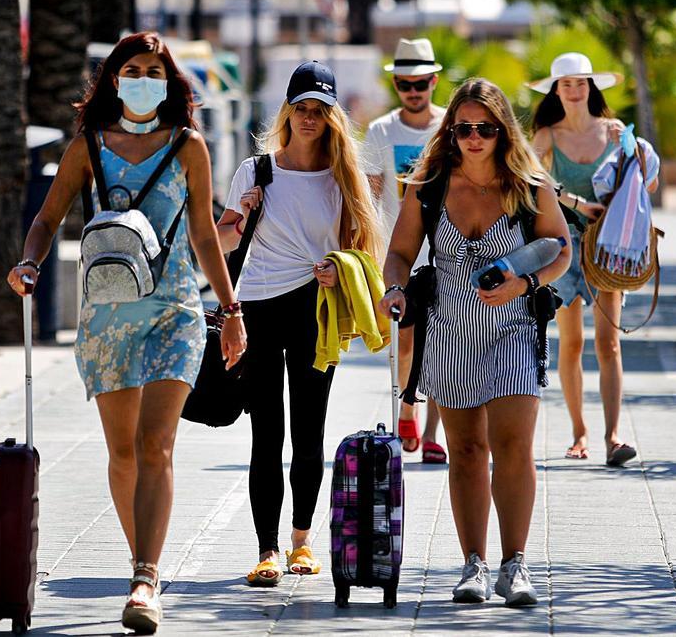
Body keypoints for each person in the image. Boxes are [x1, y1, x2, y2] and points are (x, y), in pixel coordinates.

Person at [7, 32, 247, 634]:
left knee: (156, 444)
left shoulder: (188, 146)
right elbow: (47, 216)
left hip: (174, 310)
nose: (144, 79)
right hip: (108, 316)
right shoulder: (88, 145)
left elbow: (201, 233)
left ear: (169, 83)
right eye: (133, 69)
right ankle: (138, 558)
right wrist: (29, 262)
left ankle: (145, 576)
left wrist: (231, 308)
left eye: (155, 71)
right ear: (114, 79)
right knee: (121, 452)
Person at [380, 78, 571, 606]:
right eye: (463, 127)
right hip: (448, 334)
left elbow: (560, 251)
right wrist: (394, 290)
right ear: (452, 130)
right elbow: (399, 252)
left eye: (485, 127)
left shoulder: (530, 185)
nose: (473, 137)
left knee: (513, 446)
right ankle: (473, 565)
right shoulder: (431, 185)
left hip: (514, 331)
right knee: (465, 450)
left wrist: (525, 283)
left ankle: (516, 565)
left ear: (503, 130)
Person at [216, 61, 383, 588]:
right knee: (265, 434)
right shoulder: (256, 170)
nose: (309, 118)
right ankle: (266, 549)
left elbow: (364, 248)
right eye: (301, 108)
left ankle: (302, 543)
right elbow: (220, 244)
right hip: (260, 305)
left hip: (317, 307)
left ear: (332, 116)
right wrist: (241, 216)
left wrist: (340, 267)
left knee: (309, 432)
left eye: (319, 110)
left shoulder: (342, 176)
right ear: (287, 111)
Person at [528, 52, 647, 468]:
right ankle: (579, 431)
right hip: (561, 246)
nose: (575, 91)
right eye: (566, 84)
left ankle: (614, 436)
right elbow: (527, 178)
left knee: (609, 342)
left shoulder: (613, 132)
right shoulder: (546, 136)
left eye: (581, 83)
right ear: (555, 91)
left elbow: (641, 179)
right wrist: (573, 200)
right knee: (572, 342)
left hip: (606, 248)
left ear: (591, 88)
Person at [362, 37, 448, 464]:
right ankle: (407, 406)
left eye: (420, 83)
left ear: (434, 81)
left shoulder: (454, 126)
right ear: (396, 85)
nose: (413, 91)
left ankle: (433, 431)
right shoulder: (381, 131)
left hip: (451, 254)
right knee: (409, 342)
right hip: (400, 256)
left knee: (446, 343)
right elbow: (372, 200)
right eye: (404, 84)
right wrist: (370, 256)